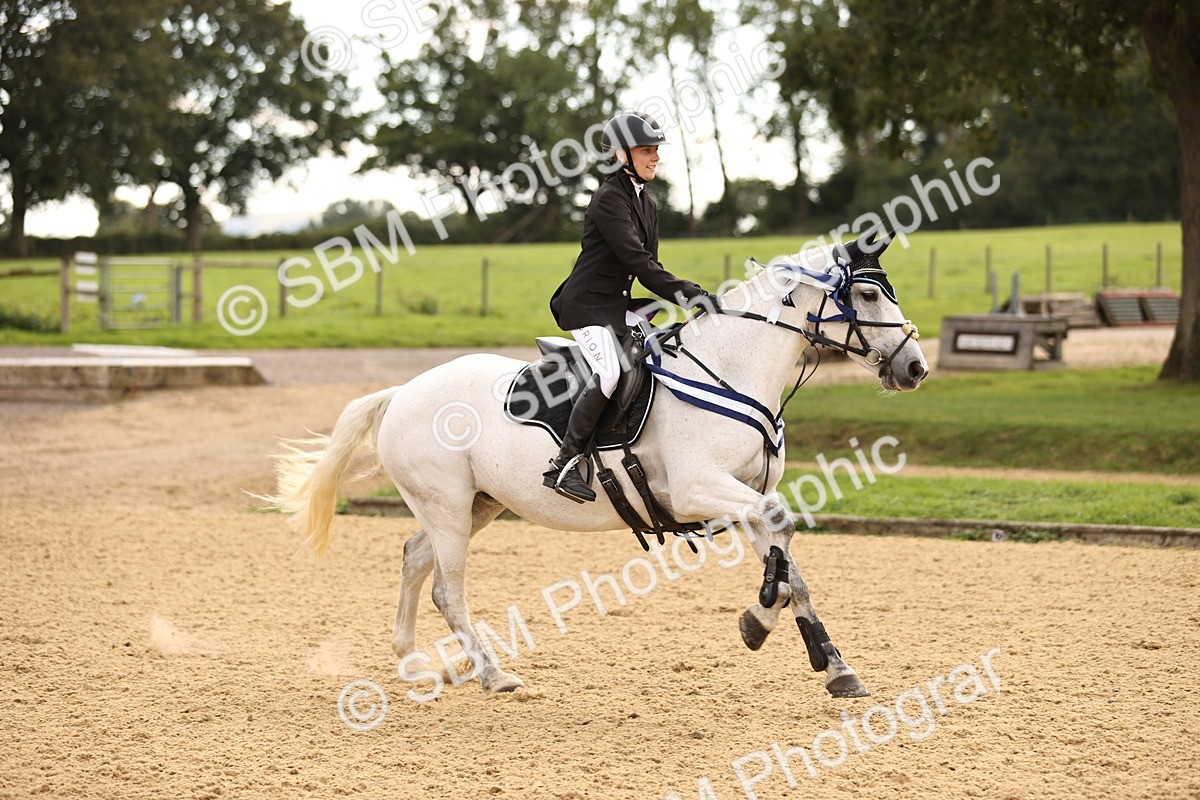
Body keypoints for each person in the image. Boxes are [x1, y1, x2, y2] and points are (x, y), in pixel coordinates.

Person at [543, 111, 715, 503]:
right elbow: (637, 261)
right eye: (646, 150)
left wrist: (687, 299)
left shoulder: (647, 203)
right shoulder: (608, 200)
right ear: (621, 154)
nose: (655, 157)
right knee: (608, 373)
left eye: (655, 149)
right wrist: (691, 294)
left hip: (618, 305)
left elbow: (649, 266)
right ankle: (564, 463)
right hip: (586, 306)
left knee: (663, 353)